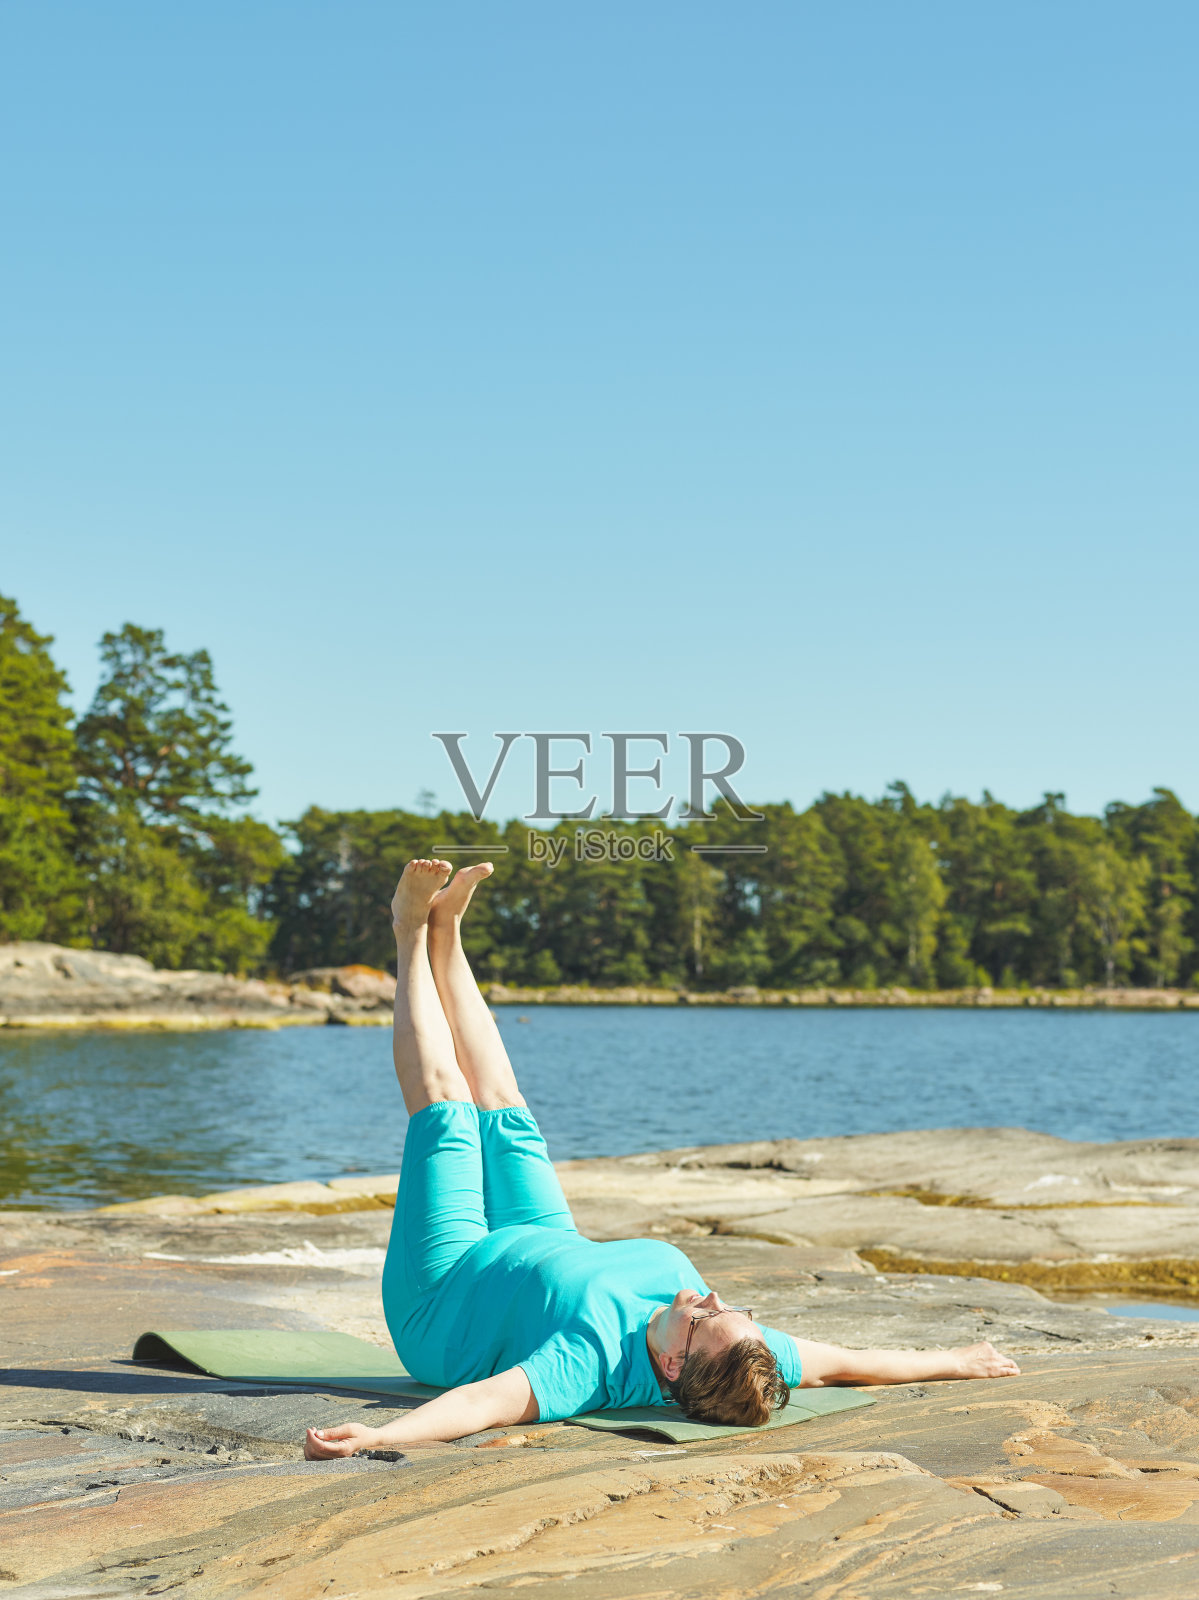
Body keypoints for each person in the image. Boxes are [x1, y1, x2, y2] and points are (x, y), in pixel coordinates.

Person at [305, 859, 1018, 1459]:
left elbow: (488, 1403)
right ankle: (448, 932)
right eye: (736, 1309)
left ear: (672, 1364)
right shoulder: (739, 1352)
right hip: (546, 1241)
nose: (715, 1300)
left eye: (708, 1317)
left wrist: (377, 1436)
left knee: (447, 1108)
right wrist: (955, 1362)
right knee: (505, 1106)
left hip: (447, 1295)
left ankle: (406, 932)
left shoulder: (589, 1364)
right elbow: (844, 1363)